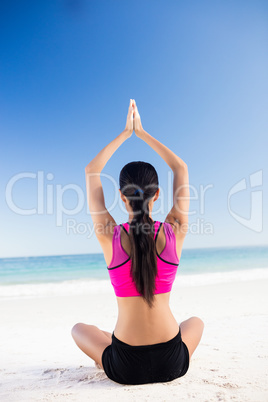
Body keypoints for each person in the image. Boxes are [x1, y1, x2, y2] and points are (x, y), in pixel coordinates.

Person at [71, 99, 204, 385]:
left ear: (121, 196)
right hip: (172, 360)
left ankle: (105, 348)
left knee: (79, 330)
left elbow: (91, 170)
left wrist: (124, 133)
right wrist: (141, 132)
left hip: (125, 366)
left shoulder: (110, 235)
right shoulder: (174, 230)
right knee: (196, 323)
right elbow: (180, 167)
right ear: (157, 195)